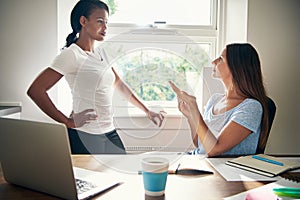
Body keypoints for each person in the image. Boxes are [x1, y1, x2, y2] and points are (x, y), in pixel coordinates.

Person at [27, 0, 165, 154]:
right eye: (100, 21)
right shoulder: (71, 54)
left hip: (109, 132)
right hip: (84, 135)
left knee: (118, 175)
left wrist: (147, 111)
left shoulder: (102, 53)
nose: (105, 27)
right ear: (83, 21)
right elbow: (36, 90)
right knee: (87, 178)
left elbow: (118, 83)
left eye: (106, 22)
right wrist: (66, 121)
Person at [169, 43, 269, 157]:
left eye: (221, 59)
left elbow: (214, 150)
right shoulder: (215, 100)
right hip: (199, 160)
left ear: (236, 67)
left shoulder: (251, 107)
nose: (214, 62)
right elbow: (200, 144)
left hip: (222, 169)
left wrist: (195, 109)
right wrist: (190, 116)